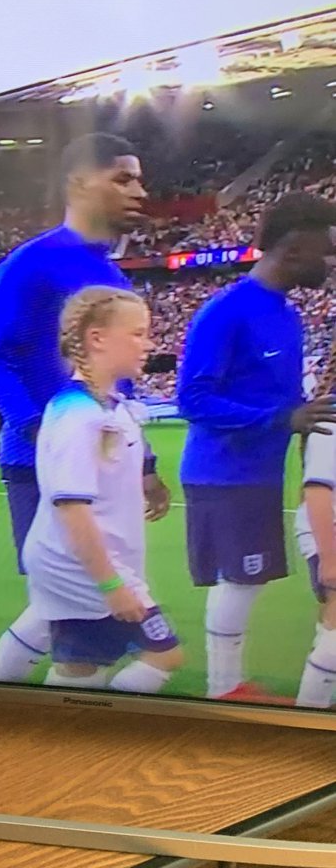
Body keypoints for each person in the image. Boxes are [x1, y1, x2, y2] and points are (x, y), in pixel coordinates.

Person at [0, 132, 169, 682]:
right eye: (123, 177)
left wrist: (146, 463)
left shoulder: (110, 276)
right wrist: (42, 431)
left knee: (61, 603)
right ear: (79, 183)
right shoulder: (33, 265)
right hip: (44, 461)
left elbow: (119, 392)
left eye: (138, 177)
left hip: (104, 462)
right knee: (75, 604)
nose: (139, 189)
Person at [178, 192, 336, 703]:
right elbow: (193, 398)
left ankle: (228, 687)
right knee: (241, 578)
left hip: (259, 473)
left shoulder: (286, 315)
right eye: (324, 251)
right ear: (292, 250)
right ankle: (222, 691)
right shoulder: (227, 312)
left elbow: (284, 403)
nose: (329, 262)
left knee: (251, 577)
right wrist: (280, 419)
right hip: (225, 472)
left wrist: (305, 418)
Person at [22, 286, 183, 693]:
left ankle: (47, 743)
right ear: (96, 339)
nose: (148, 344)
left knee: (80, 668)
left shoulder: (110, 407)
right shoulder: (79, 416)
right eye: (138, 333)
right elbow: (72, 508)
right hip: (82, 566)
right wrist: (112, 584)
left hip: (87, 561)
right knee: (164, 654)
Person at [295, 338, 336, 708]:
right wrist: (330, 556)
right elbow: (318, 489)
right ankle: (306, 717)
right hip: (329, 535)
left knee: (331, 627)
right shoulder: (332, 415)